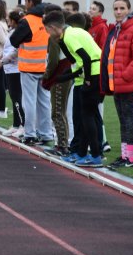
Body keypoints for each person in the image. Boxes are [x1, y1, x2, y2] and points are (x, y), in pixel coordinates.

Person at [43, 10, 103, 166]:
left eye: (47, 30)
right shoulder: (65, 37)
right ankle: (81, 153)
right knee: (81, 118)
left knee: (87, 117)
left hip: (93, 75)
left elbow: (87, 58)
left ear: (53, 27)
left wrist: (88, 81)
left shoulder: (69, 35)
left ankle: (96, 155)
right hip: (85, 76)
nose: (47, 34)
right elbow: (76, 61)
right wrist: (66, 76)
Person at [100, 0, 133, 169]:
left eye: (122, 8)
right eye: (116, 8)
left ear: (129, 9)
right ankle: (124, 156)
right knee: (123, 121)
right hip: (118, 84)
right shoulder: (119, 29)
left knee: (129, 120)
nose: (118, 12)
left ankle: (131, 159)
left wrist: (124, 76)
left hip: (129, 84)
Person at [10, 0, 53, 146]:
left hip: (29, 66)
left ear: (30, 2)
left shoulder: (27, 21)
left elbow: (14, 40)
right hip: (45, 66)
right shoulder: (48, 18)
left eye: (26, 0)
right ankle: (47, 133)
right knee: (44, 102)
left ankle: (30, 134)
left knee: (29, 102)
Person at [0, 8, 24, 137]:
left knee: (17, 98)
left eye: (8, 18)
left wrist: (3, 61)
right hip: (10, 69)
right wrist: (2, 55)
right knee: (14, 98)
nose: (7, 20)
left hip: (15, 69)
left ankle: (23, 126)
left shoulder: (19, 32)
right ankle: (16, 125)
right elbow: (9, 48)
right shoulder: (12, 31)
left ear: (13, 20)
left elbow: (16, 51)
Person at [88, 0, 111, 153]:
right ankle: (100, 140)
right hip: (92, 71)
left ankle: (103, 141)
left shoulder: (101, 27)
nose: (90, 10)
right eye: (90, 8)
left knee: (96, 110)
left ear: (100, 12)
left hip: (97, 73)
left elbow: (103, 50)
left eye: (93, 9)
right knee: (93, 110)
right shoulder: (90, 27)